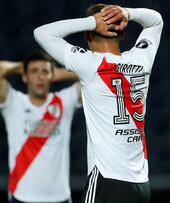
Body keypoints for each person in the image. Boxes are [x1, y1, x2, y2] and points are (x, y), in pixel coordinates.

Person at [34, 3, 163, 203]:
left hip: (107, 180)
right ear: (121, 33)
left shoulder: (89, 64)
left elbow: (42, 33)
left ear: (87, 35)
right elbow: (155, 22)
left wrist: (92, 22)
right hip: (141, 184)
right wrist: (127, 13)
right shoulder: (141, 59)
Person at [0, 51, 81, 203]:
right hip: (22, 197)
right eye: (34, 71)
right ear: (25, 76)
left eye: (45, 72)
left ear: (52, 76)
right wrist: (24, 67)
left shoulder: (65, 101)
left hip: (59, 198)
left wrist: (59, 73)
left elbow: (95, 75)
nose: (40, 77)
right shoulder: (14, 103)